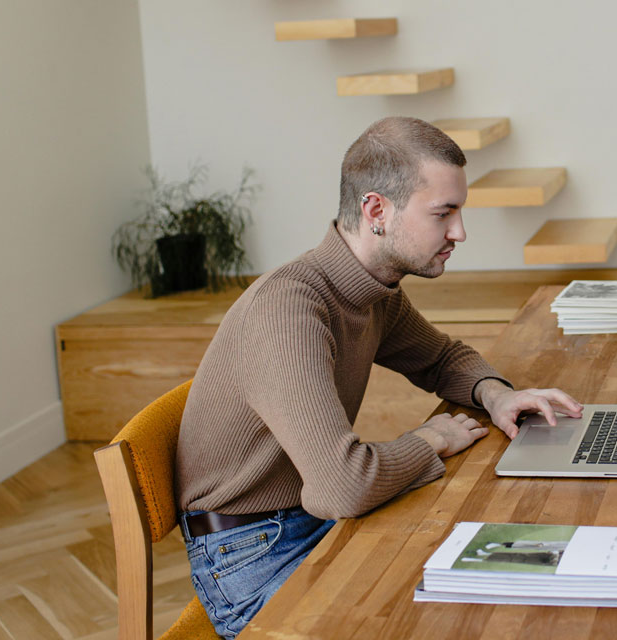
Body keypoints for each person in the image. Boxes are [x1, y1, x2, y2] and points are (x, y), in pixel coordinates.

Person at [175, 116, 582, 639]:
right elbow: (342, 486)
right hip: (252, 553)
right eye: (444, 213)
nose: (459, 232)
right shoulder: (288, 309)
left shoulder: (370, 287)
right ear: (376, 211)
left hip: (305, 518)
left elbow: (441, 359)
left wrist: (497, 395)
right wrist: (428, 441)